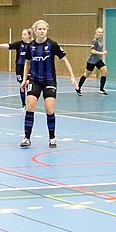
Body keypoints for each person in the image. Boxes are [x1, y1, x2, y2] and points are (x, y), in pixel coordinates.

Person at [17, 19, 77, 148]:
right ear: (35, 31)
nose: (42, 31)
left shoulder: (52, 45)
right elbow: (27, 63)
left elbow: (65, 60)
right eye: (39, 29)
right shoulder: (31, 46)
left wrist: (72, 76)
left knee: (49, 110)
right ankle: (27, 138)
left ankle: (52, 138)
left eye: (44, 29)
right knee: (30, 106)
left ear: (47, 30)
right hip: (34, 79)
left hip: (49, 80)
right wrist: (23, 80)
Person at [0, 28, 34, 106]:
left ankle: (30, 103)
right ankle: (23, 104)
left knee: (28, 83)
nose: (23, 36)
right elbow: (8, 45)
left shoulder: (33, 45)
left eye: (25, 34)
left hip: (29, 67)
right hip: (19, 68)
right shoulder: (19, 44)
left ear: (29, 36)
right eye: (22, 34)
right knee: (22, 85)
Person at [75, 27, 109, 95]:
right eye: (99, 32)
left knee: (105, 71)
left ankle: (101, 89)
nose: (101, 33)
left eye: (102, 32)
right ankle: (78, 88)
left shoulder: (101, 40)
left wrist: (101, 54)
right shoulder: (95, 41)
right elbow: (92, 51)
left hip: (98, 60)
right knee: (86, 75)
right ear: (96, 33)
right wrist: (102, 53)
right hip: (92, 61)